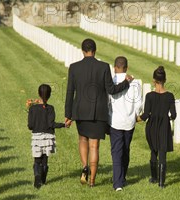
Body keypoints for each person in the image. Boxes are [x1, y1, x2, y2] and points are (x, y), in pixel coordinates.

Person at [64, 38, 134, 187]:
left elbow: (70, 92)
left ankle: (84, 166)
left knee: (82, 140)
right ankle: (92, 181)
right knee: (94, 146)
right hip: (98, 113)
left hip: (80, 111)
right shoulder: (103, 67)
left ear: (82, 51)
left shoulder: (74, 67)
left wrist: (68, 114)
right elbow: (111, 90)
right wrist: (126, 82)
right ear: (95, 51)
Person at [108, 56, 143, 191]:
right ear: (126, 67)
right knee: (126, 149)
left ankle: (118, 183)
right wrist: (134, 114)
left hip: (115, 121)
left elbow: (108, 101)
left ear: (114, 67)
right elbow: (139, 103)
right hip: (129, 121)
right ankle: (122, 178)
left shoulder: (111, 82)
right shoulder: (134, 83)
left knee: (116, 151)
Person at [139, 66, 177, 189]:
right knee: (162, 153)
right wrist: (167, 118)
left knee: (153, 151)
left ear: (153, 80)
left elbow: (145, 115)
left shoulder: (149, 96)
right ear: (165, 80)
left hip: (151, 126)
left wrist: (135, 119)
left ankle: (154, 177)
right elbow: (174, 115)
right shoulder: (170, 96)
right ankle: (161, 183)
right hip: (164, 126)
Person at [28, 84, 65, 189]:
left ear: (38, 94)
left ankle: (37, 176)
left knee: (37, 160)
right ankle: (43, 180)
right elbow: (51, 124)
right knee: (45, 159)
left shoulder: (33, 109)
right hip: (48, 137)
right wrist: (63, 124)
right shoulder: (51, 108)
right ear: (49, 95)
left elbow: (30, 126)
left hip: (37, 137)